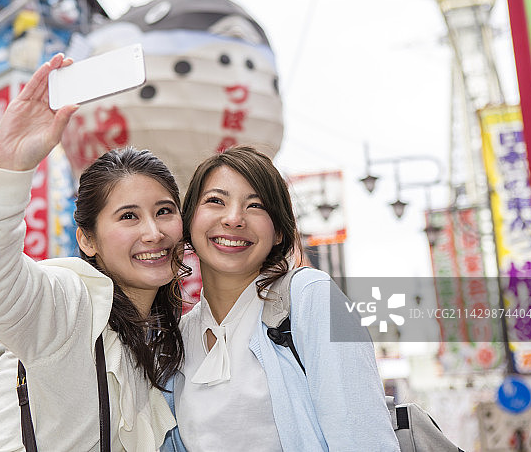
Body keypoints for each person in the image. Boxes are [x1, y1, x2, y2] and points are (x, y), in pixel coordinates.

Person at [0, 53, 187, 451]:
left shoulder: (168, 336)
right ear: (87, 240)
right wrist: (9, 169)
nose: (153, 232)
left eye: (164, 211)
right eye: (128, 216)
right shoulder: (71, 303)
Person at [162, 145, 400, 451]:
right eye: (215, 201)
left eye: (256, 205)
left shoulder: (310, 299)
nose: (234, 218)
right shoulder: (175, 339)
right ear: (189, 221)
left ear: (278, 232)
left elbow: (365, 440)